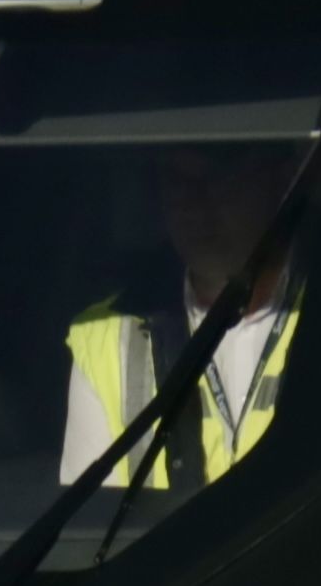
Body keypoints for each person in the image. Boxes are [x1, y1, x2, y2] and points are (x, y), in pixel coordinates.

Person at [60, 140, 306, 490]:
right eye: (177, 182)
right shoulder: (106, 334)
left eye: (218, 178)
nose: (194, 204)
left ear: (282, 180)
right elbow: (93, 514)